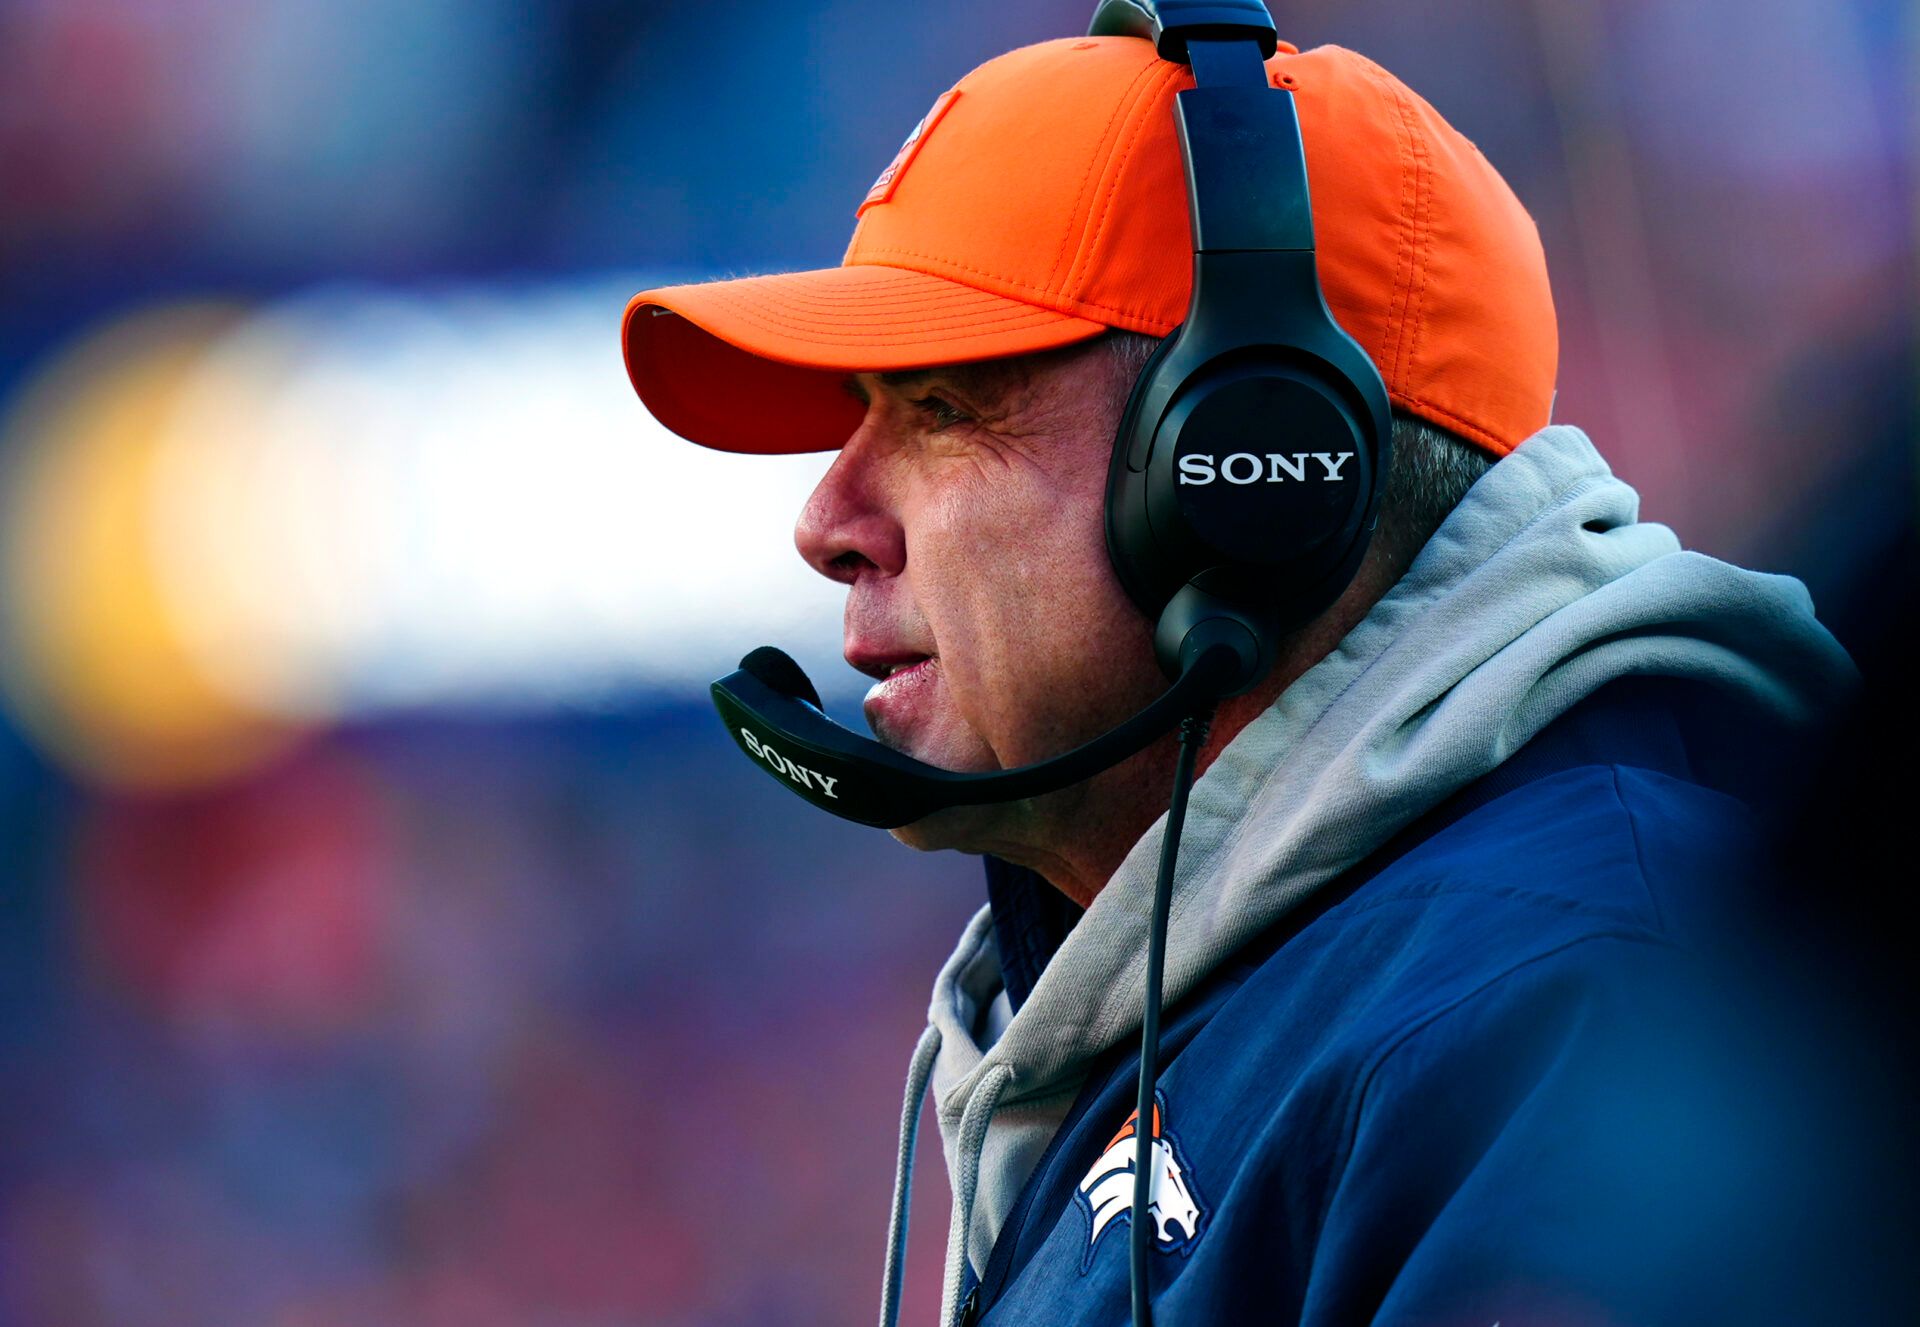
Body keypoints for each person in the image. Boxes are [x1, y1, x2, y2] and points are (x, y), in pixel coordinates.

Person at [620, 21, 1859, 1327]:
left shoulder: (1564, 1002)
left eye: (942, 410)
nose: (828, 521)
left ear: (1252, 469)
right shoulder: (1268, 995)